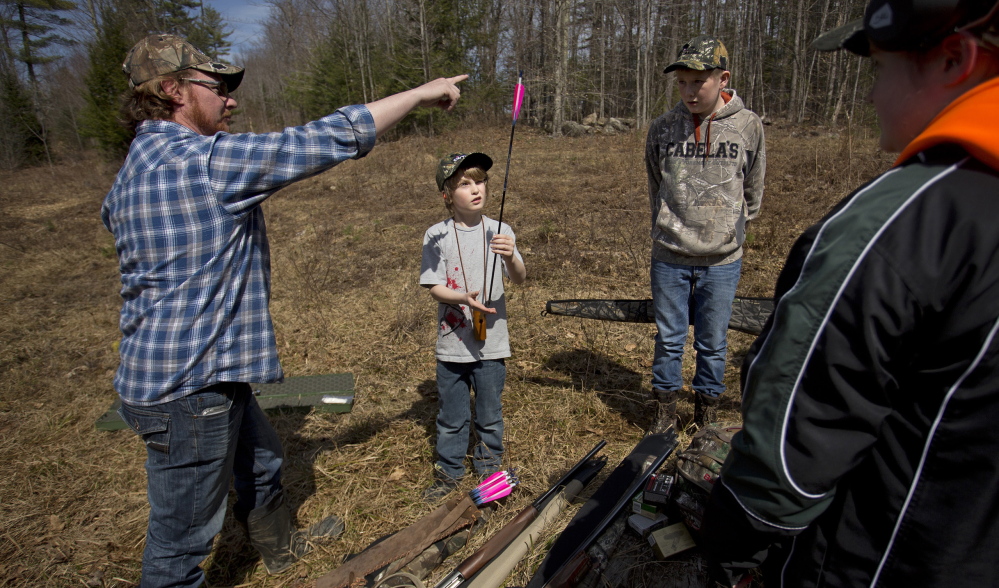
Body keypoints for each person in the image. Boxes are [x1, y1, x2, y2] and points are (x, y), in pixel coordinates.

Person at [101, 33, 467, 587]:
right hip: (187, 390)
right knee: (178, 549)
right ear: (172, 90)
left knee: (263, 458)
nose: (231, 99)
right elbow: (327, 138)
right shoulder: (199, 162)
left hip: (197, 372)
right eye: (217, 86)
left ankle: (278, 544)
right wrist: (419, 93)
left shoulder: (132, 170)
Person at [701, 1, 999, 586]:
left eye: (881, 70)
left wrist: (733, 527)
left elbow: (794, 441)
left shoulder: (905, 221)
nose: (870, 97)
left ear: (955, 59)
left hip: (877, 558)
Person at [645, 35, 766, 433]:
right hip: (670, 257)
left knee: (713, 343)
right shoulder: (663, 128)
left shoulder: (747, 127)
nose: (689, 91)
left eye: (699, 81)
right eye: (682, 82)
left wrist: (732, 229)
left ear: (722, 78)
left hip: (722, 261)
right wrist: (668, 225)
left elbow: (753, 189)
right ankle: (664, 412)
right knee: (669, 339)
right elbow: (655, 184)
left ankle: (705, 413)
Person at [419, 152, 526, 502]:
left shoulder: (501, 230)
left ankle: (490, 468)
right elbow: (433, 286)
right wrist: (463, 297)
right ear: (447, 195)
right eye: (464, 184)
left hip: (492, 343)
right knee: (451, 416)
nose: (475, 189)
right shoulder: (437, 235)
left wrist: (510, 255)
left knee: (490, 412)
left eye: (479, 181)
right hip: (452, 344)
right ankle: (449, 472)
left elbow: (521, 278)